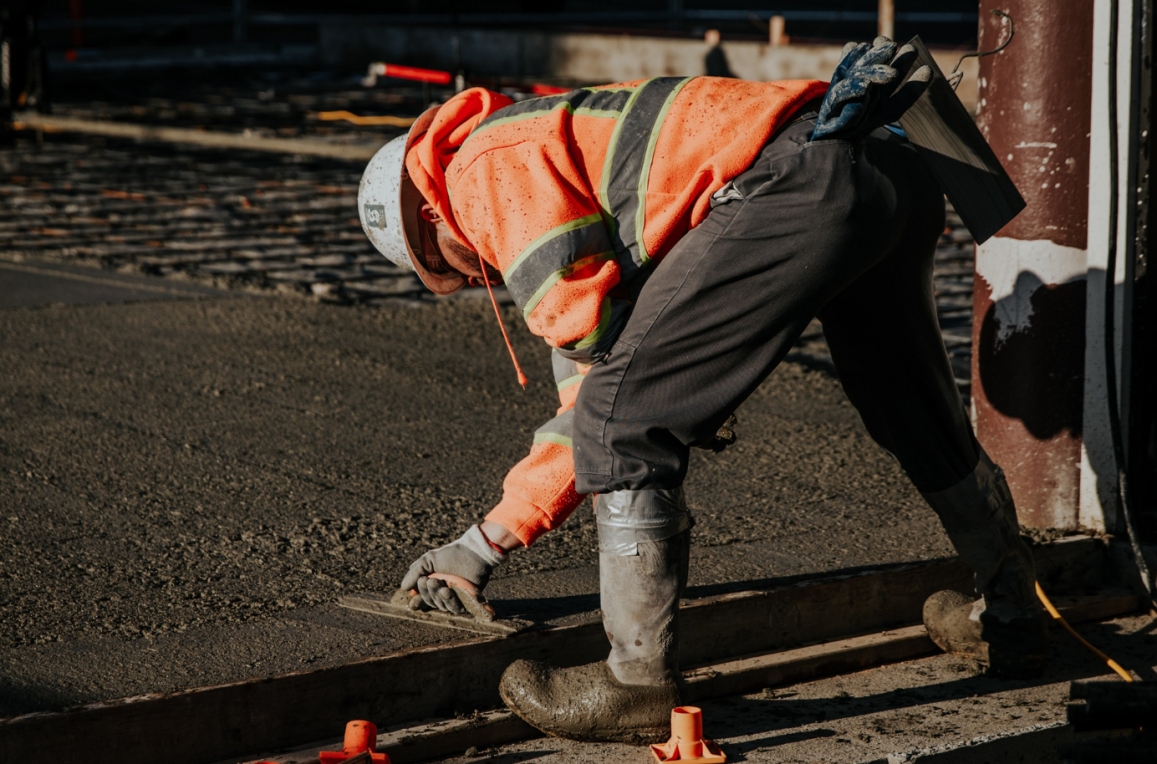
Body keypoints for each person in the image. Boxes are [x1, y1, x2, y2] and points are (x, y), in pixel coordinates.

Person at [357, 38, 1049, 744]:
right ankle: (1012, 612)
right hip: (885, 164)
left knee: (624, 424)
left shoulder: (484, 175)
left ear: (430, 218)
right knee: (911, 407)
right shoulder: (548, 141)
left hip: (798, 177)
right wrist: (486, 544)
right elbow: (604, 372)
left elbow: (602, 401)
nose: (478, 280)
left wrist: (481, 544)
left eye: (451, 268)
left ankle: (634, 683)